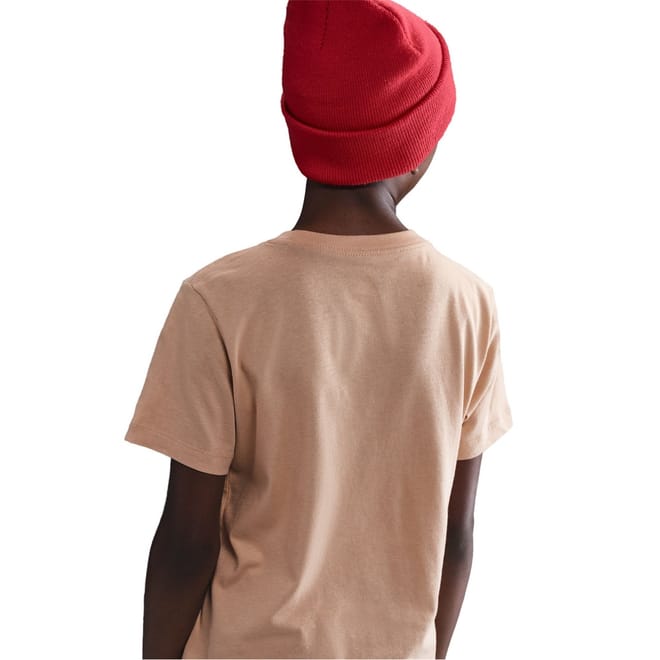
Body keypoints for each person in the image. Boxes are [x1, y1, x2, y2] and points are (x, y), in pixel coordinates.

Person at [124, 1, 514, 658]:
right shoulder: (467, 304)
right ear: (418, 144)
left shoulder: (218, 299)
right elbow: (456, 533)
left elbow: (186, 542)